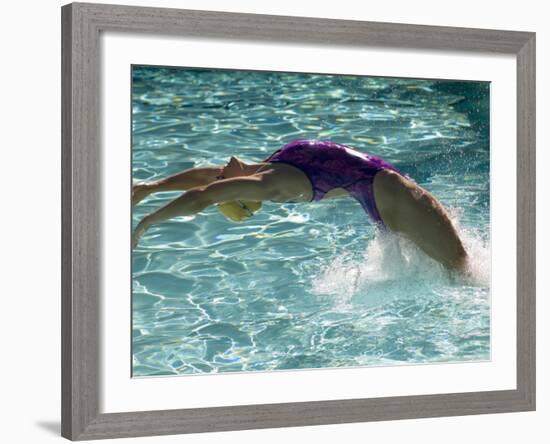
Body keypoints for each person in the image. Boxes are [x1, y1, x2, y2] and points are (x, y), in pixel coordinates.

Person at [132, 139, 468, 271]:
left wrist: (151, 188)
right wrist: (147, 222)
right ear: (238, 193)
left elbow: (205, 180)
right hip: (391, 195)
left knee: (452, 265)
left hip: (383, 194)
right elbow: (203, 196)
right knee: (462, 270)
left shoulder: (264, 167)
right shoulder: (272, 185)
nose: (220, 173)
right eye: (225, 183)